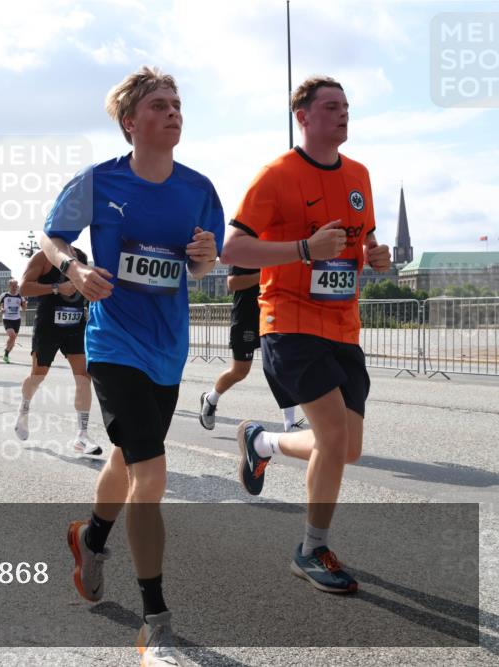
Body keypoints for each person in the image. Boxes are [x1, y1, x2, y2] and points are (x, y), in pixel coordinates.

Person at [46, 66, 224, 666]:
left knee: (126, 457)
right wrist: (74, 269)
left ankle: (89, 537)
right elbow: (51, 238)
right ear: (131, 123)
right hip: (114, 343)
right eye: (159, 105)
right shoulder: (98, 182)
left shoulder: (199, 189)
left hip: (168, 348)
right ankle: (157, 623)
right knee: (151, 472)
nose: (173, 112)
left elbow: (202, 267)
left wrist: (202, 260)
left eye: (177, 104)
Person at [221, 75, 391, 595]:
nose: (343, 114)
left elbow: (363, 245)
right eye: (331, 106)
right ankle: (311, 548)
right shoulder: (276, 176)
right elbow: (231, 250)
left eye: (346, 106)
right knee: (334, 438)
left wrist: (376, 258)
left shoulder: (359, 174)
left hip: (343, 326)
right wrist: (301, 250)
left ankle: (262, 440)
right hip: (289, 323)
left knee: (348, 447)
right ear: (303, 116)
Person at [15, 246, 100, 455]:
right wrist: (56, 288)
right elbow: (23, 287)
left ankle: (82, 435)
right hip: (48, 326)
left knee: (83, 377)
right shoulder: (43, 256)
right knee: (37, 376)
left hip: (75, 323)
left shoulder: (80, 256)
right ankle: (24, 408)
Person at [198, 269, 301, 432]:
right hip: (246, 317)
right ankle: (211, 399)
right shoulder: (244, 243)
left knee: (281, 364)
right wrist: (267, 273)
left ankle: (290, 423)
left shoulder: (281, 245)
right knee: (240, 371)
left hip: (274, 314)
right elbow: (232, 283)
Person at [0, 279, 26, 363]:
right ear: (9, 286)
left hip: (17, 319)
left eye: (16, 286)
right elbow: (0, 305)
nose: (15, 287)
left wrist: (24, 305)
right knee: (12, 336)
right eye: (13, 286)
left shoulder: (20, 296)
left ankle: (6, 353)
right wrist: (2, 309)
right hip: (7, 318)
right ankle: (6, 353)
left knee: (13, 339)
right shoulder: (4, 295)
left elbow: (24, 308)